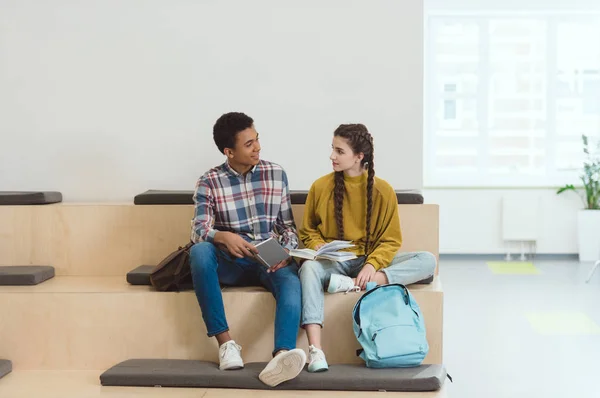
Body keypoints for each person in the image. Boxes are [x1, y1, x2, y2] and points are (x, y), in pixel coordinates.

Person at [298, 123, 436, 373]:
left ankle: (362, 282)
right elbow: (308, 229)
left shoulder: (383, 191)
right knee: (308, 269)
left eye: (339, 151)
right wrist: (318, 245)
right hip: (335, 263)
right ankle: (315, 350)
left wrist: (374, 266)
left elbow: (391, 240)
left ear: (359, 156)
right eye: (332, 149)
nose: (332, 156)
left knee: (427, 260)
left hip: (370, 262)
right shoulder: (320, 187)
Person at [189, 112, 306, 387]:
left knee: (291, 280)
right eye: (249, 143)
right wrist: (222, 236)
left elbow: (288, 227)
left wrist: (286, 251)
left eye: (257, 139)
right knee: (199, 252)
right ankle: (226, 345)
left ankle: (282, 356)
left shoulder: (276, 174)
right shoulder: (209, 181)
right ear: (229, 151)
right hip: (230, 261)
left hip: (268, 258)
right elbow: (198, 230)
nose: (258, 147)